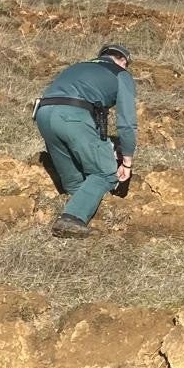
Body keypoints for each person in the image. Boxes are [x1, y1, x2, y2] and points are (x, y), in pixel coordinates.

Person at [35, 44, 138, 238]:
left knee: (76, 182)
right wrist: (127, 161)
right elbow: (127, 123)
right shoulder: (120, 74)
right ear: (123, 61)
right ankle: (72, 219)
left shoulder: (77, 67)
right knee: (105, 173)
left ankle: (78, 215)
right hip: (73, 116)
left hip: (43, 114)